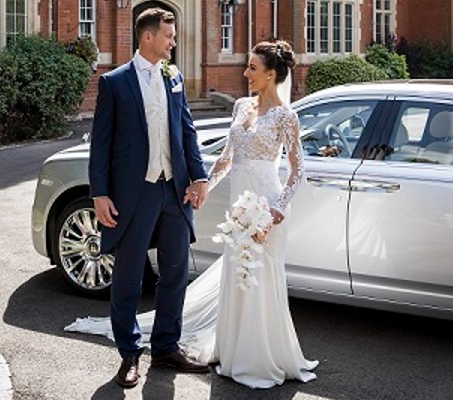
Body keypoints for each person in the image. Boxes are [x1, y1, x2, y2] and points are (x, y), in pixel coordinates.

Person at [68, 39, 318, 389]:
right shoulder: (241, 107)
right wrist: (202, 186)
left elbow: (297, 171)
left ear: (271, 74)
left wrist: (276, 210)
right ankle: (233, 355)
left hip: (267, 208)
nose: (245, 73)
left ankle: (263, 356)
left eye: (252, 68)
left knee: (261, 282)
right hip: (239, 209)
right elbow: (227, 158)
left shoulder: (286, 117)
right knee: (236, 278)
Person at [87, 7, 210, 388]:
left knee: (175, 272)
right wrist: (100, 194)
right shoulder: (115, 83)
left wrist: (200, 176)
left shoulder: (175, 78)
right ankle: (128, 355)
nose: (174, 42)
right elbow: (101, 144)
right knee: (127, 277)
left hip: (174, 190)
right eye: (169, 36)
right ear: (148, 38)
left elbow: (186, 131)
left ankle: (166, 348)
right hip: (133, 192)